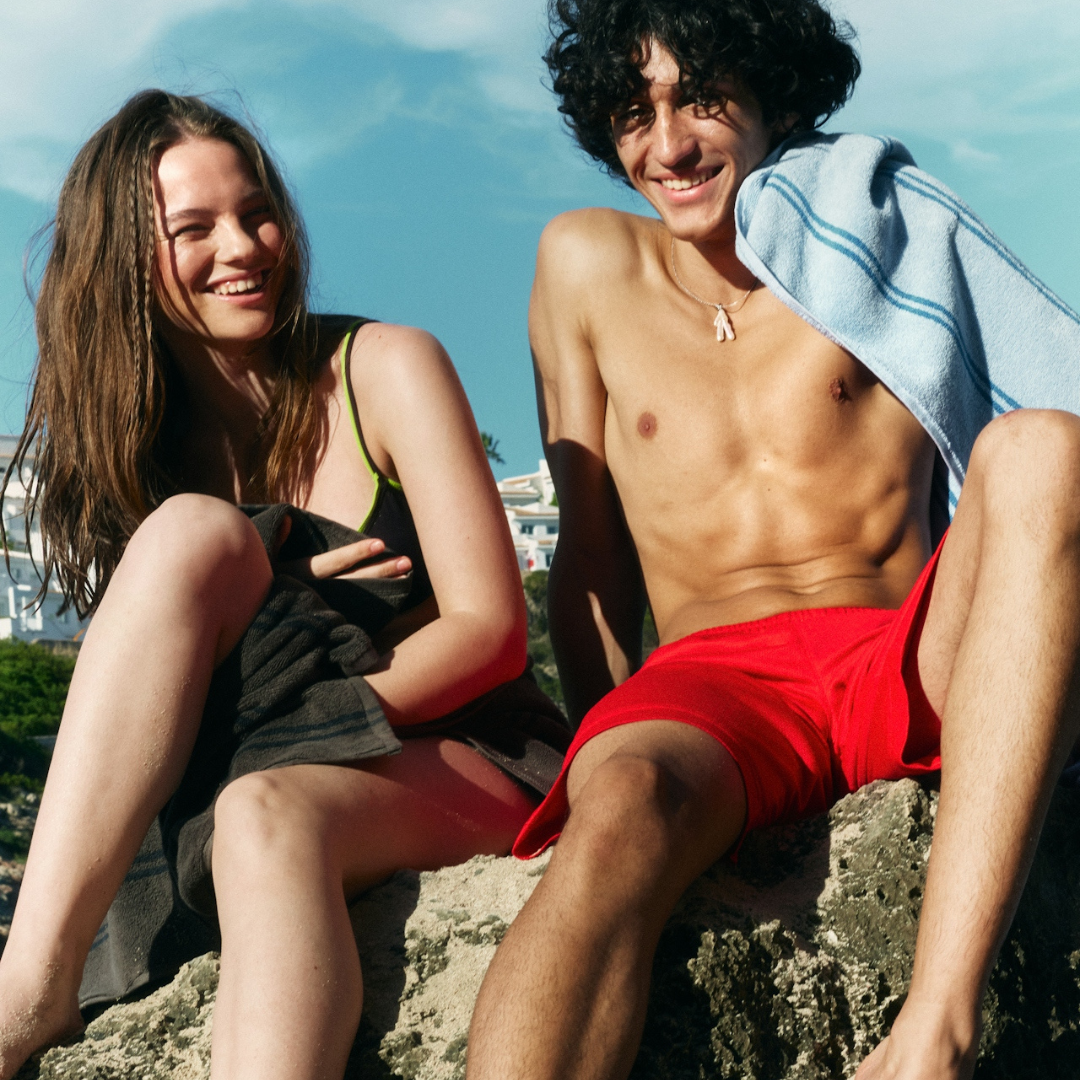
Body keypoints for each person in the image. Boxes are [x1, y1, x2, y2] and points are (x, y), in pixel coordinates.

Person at [465, 1, 1080, 1078]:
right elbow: (594, 557)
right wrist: (602, 750)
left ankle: (935, 1026)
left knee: (1046, 447)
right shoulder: (583, 264)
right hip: (714, 687)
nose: (670, 145)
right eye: (634, 113)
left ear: (772, 97)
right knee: (622, 811)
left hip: (900, 656)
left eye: (702, 97)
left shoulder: (879, 230)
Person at [0, 90, 568, 1080]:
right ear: (127, 261)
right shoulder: (145, 456)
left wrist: (309, 715)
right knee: (202, 580)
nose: (244, 245)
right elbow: (145, 716)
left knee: (261, 807)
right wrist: (282, 597)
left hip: (465, 751)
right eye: (194, 228)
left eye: (257, 210)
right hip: (261, 779)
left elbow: (490, 631)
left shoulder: (383, 366)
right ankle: (33, 983)